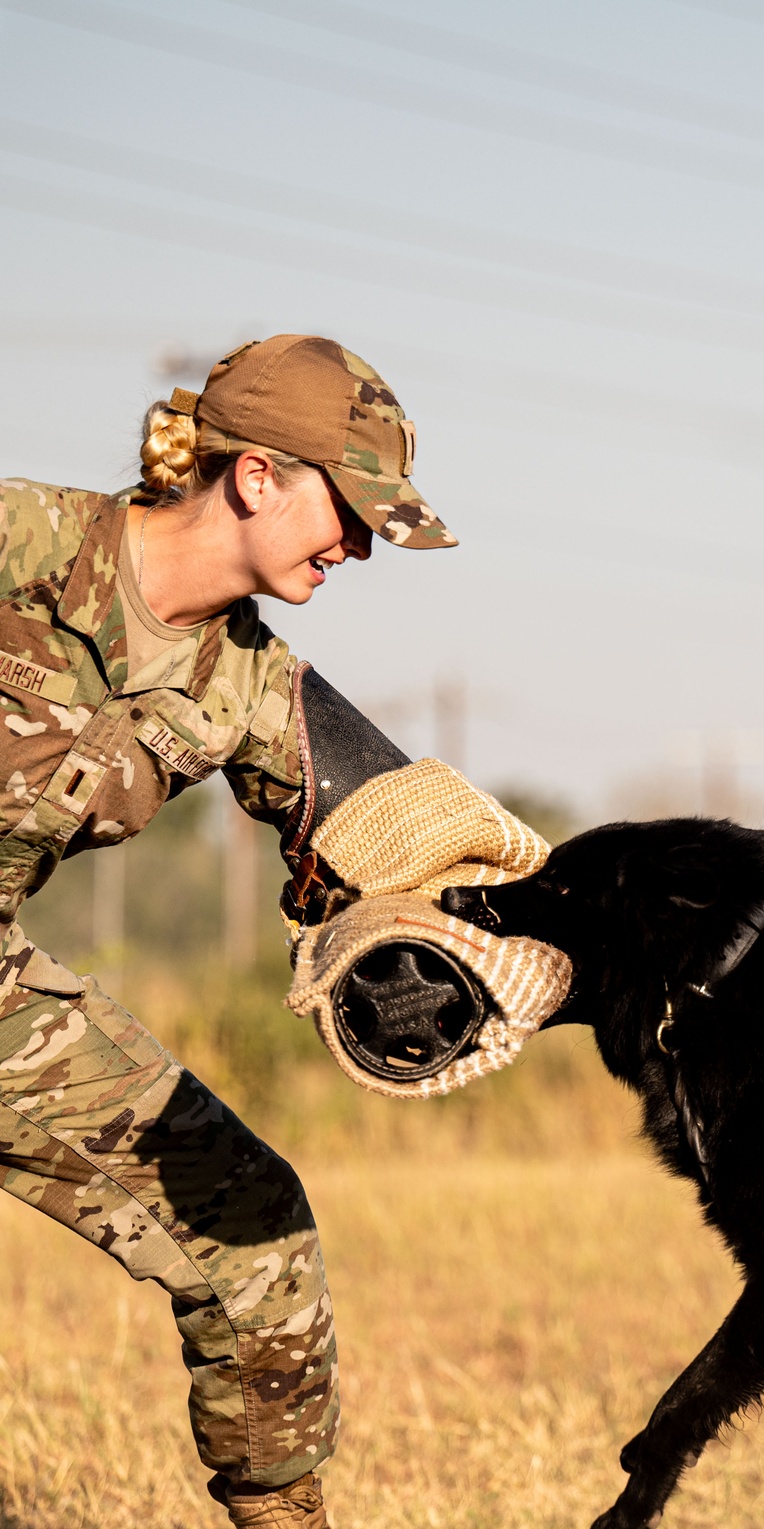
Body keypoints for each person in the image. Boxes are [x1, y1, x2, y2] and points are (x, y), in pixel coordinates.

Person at [0, 334, 457, 1527]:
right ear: (256, 475)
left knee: (250, 1221)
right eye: (346, 510)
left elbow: (407, 831)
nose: (356, 545)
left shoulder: (248, 686)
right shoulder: (22, 542)